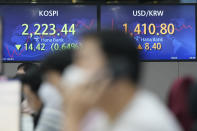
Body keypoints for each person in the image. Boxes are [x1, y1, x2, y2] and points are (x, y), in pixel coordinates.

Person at [62, 31, 182, 131]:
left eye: (84, 58)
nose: (75, 68)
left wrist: (73, 118)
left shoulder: (142, 123)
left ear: (116, 69)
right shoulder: (106, 115)